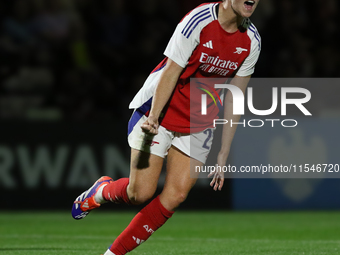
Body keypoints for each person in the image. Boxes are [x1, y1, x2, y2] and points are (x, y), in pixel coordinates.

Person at [72, 0, 261, 254]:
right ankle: (100, 192)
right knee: (139, 193)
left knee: (176, 195)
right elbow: (171, 71)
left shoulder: (252, 40)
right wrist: (153, 117)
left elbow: (235, 96)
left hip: (199, 121)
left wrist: (224, 151)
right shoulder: (197, 21)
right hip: (160, 111)